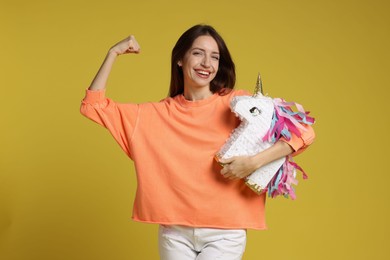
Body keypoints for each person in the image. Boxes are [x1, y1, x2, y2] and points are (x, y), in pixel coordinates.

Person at [80, 24, 315, 260]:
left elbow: (303, 133)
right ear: (180, 59)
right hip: (174, 233)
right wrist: (113, 53)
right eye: (197, 53)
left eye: (214, 57)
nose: (207, 63)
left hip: (225, 233)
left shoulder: (237, 103)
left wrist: (252, 163)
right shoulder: (155, 114)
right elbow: (93, 106)